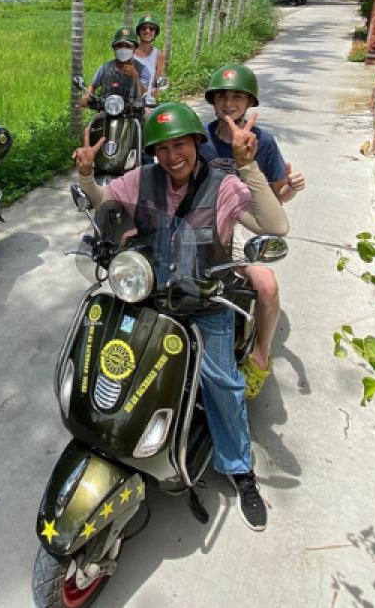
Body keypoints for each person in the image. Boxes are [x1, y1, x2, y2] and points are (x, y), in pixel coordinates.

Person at [73, 101, 289, 532]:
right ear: (153, 152)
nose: (173, 157)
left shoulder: (224, 186)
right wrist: (85, 175)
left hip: (205, 304)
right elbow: (103, 205)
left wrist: (248, 167)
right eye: (163, 149)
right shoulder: (143, 179)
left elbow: (275, 225)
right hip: (150, 296)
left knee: (224, 385)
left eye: (181, 145)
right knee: (109, 352)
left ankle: (239, 469)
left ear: (196, 143)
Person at [199, 64, 306, 398]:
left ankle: (261, 355)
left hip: (244, 223)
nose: (228, 103)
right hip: (203, 222)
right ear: (213, 101)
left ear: (248, 102)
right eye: (222, 96)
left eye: (236, 97)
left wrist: (290, 188)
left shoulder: (265, 143)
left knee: (266, 286)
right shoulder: (199, 138)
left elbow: (275, 198)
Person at [80, 26, 151, 107]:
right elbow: (93, 85)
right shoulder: (105, 68)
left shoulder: (142, 70)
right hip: (107, 109)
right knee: (95, 119)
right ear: (114, 48)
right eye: (120, 46)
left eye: (128, 46)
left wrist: (135, 76)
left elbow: (144, 93)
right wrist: (87, 97)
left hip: (134, 111)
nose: (123, 49)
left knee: (148, 117)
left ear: (134, 48)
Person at [133, 13, 166, 99]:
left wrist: (152, 103)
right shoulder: (131, 52)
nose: (147, 31)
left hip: (146, 101)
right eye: (144, 28)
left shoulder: (159, 55)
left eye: (151, 29)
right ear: (139, 31)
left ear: (155, 33)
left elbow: (156, 84)